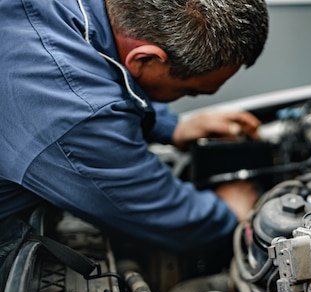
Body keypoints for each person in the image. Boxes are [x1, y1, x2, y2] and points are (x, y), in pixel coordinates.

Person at [0, 0, 269, 255]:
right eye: (190, 92)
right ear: (143, 60)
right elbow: (157, 216)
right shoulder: (73, 110)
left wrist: (171, 126)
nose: (191, 96)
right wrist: (227, 213)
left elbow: (101, 66)